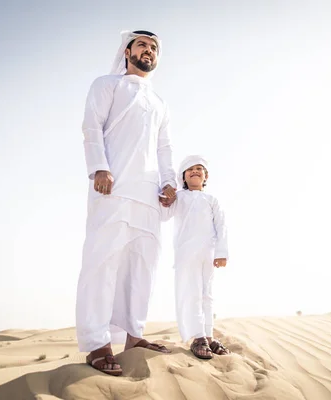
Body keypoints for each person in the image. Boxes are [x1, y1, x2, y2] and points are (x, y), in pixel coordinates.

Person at [76, 30, 177, 376]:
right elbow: (92, 126)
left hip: (148, 194)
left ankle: (134, 336)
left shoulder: (160, 102)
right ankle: (96, 343)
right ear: (127, 51)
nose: (148, 51)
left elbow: (164, 149)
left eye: (153, 48)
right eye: (142, 45)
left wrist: (168, 183)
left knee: (143, 266)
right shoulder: (108, 85)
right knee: (102, 261)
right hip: (113, 187)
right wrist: (100, 168)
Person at [160, 155, 231, 359]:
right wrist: (167, 197)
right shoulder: (179, 197)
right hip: (186, 253)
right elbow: (165, 214)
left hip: (207, 254)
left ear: (205, 175)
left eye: (199, 169)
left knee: (207, 295)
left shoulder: (212, 200)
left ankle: (208, 336)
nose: (195, 172)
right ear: (183, 177)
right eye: (189, 169)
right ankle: (197, 337)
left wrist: (222, 253)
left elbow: (221, 227)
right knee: (191, 293)